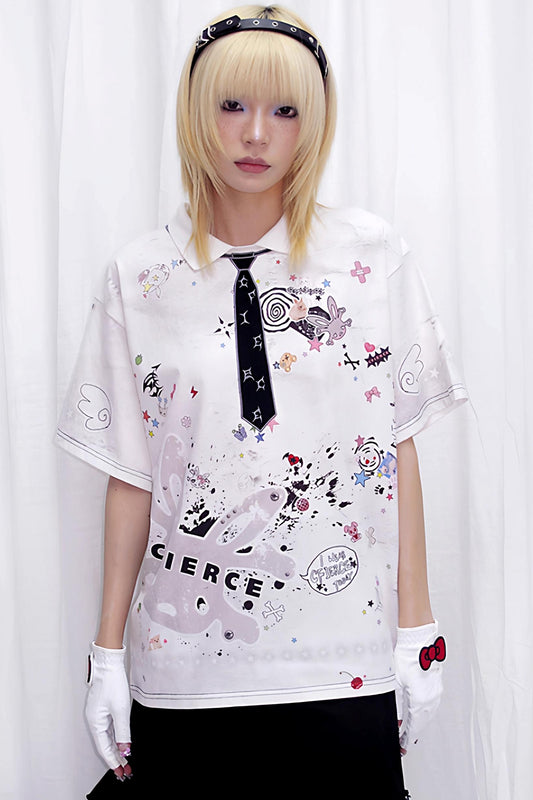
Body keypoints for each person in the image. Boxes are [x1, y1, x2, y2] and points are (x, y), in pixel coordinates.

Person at [57, 5, 467, 796]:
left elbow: (395, 447)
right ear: (195, 112)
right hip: (187, 667)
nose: (254, 135)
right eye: (231, 105)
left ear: (314, 123)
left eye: (285, 111)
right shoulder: (139, 276)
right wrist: (105, 655)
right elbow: (132, 477)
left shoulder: (370, 258)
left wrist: (417, 629)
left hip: (341, 661)